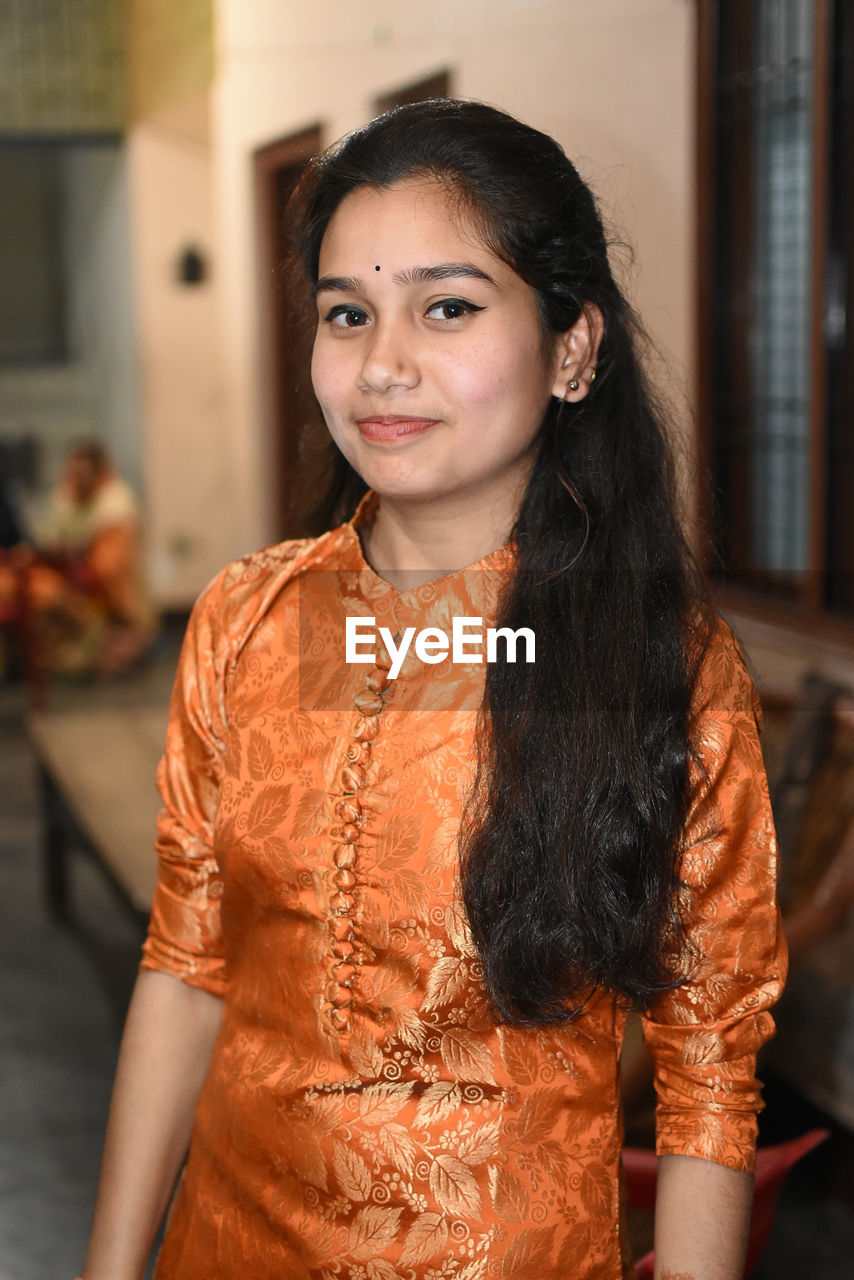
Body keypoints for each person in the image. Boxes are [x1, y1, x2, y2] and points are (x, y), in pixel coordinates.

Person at [79, 100, 786, 1280]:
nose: (380, 364)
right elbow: (186, 964)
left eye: (446, 306)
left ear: (571, 349)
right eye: (345, 313)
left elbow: (708, 1058)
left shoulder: (659, 666)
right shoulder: (248, 620)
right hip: (225, 1241)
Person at [4, 441, 156, 676]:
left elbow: (108, 566)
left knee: (50, 596)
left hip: (102, 592)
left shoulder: (116, 507)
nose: (77, 480)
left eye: (83, 474)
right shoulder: (67, 495)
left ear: (100, 474)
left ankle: (98, 648)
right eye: (73, 473)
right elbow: (50, 536)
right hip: (68, 574)